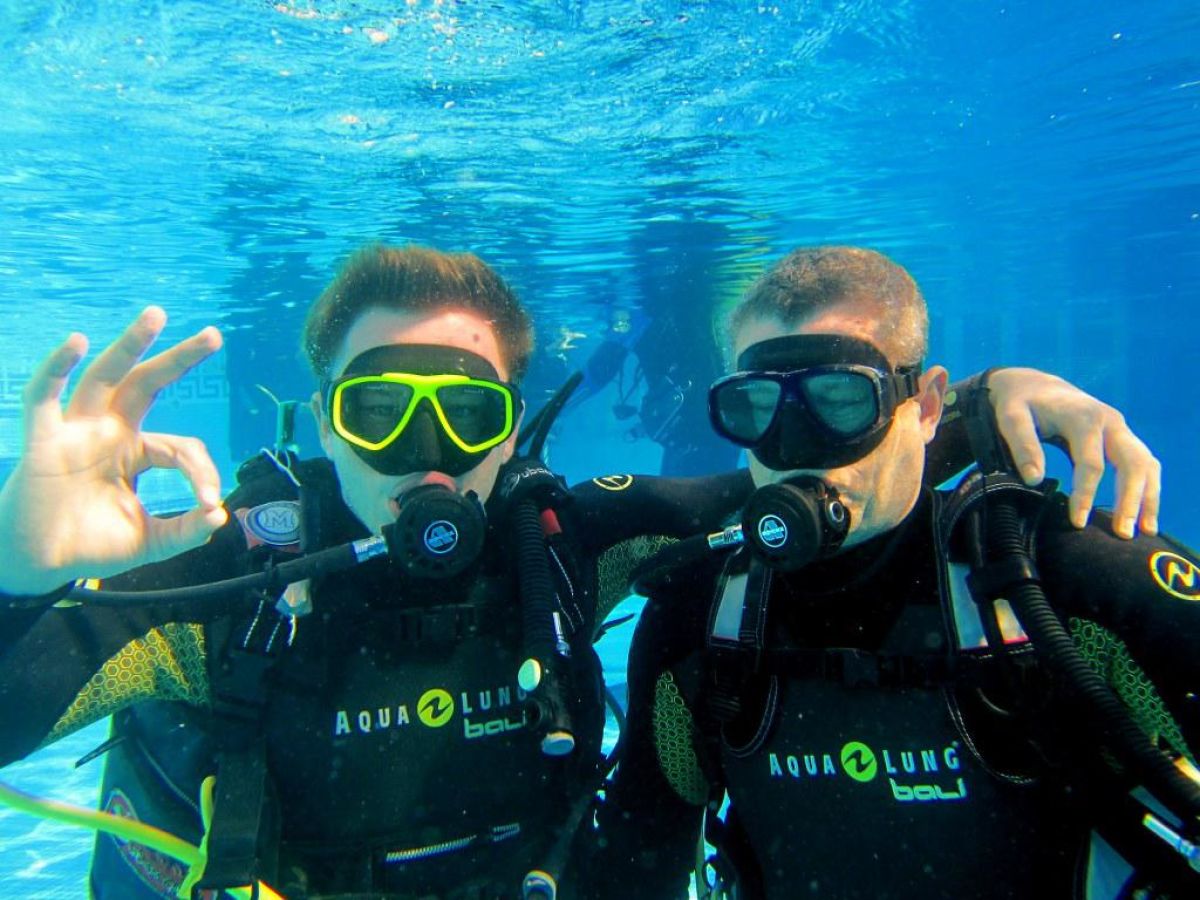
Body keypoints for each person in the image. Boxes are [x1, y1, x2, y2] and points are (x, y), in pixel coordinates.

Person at [0, 243, 1166, 900]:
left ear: (512, 426)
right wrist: (18, 575)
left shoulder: (565, 544)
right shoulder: (235, 581)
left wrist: (980, 404)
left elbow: (805, 480)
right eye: (377, 412)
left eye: (466, 414)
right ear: (321, 415)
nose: (424, 458)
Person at [593, 246, 1197, 900]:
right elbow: (637, 864)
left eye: (841, 400)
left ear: (929, 407)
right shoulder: (698, 619)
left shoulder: (1067, 581)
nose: (795, 449)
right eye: (756, 406)